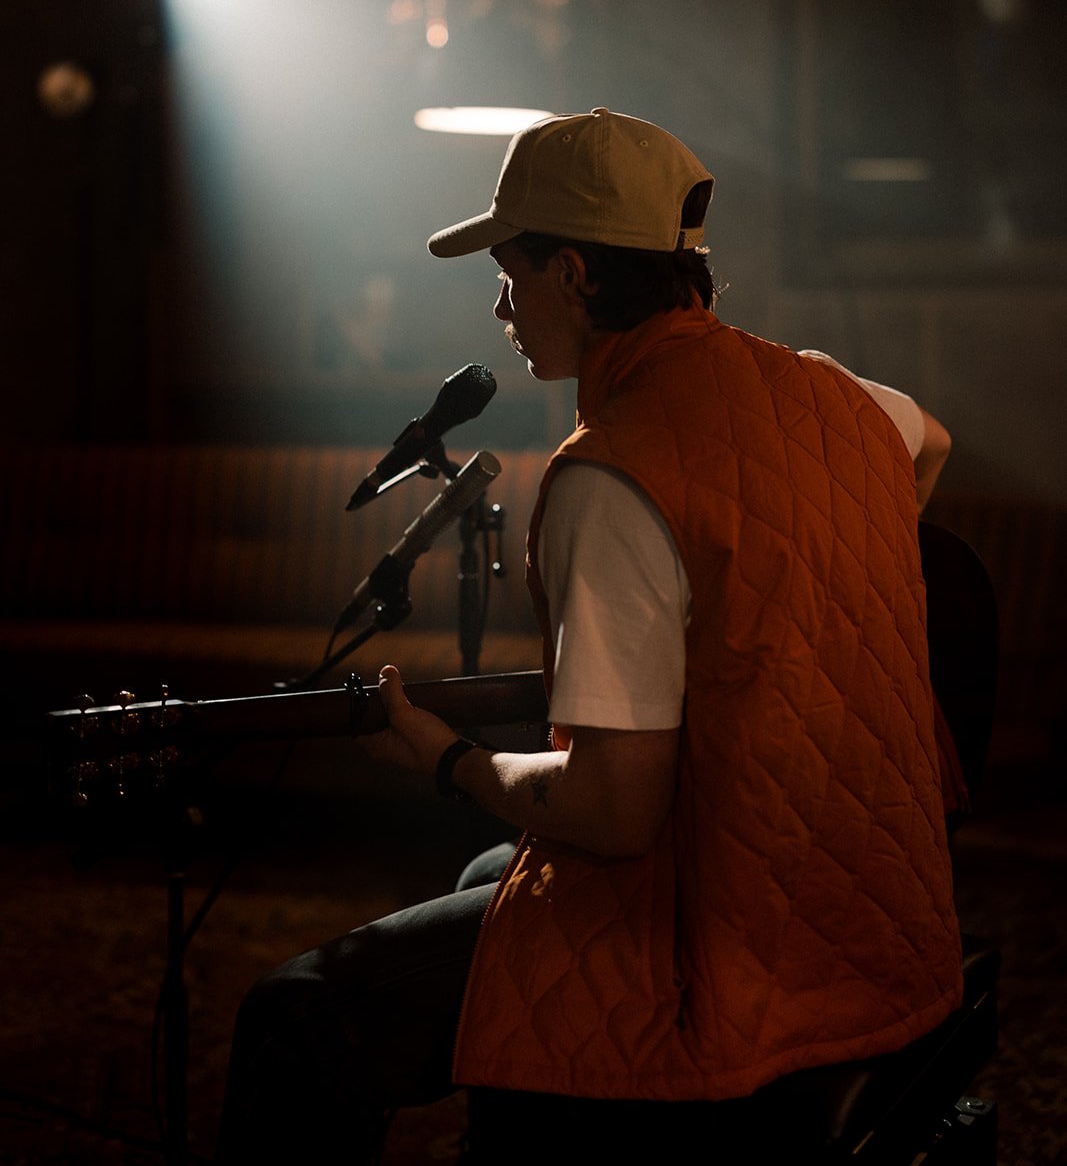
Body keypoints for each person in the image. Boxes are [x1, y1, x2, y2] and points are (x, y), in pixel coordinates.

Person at [214, 107, 962, 1164]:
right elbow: (927, 441)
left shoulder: (612, 473)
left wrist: (444, 758)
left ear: (570, 274)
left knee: (294, 1011)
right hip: (875, 903)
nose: (498, 305)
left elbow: (612, 812)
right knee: (491, 871)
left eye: (509, 273)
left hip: (733, 941)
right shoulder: (835, 396)